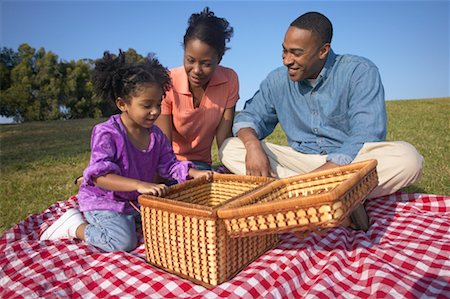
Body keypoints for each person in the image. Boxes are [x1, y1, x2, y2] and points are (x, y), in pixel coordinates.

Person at [219, 12, 423, 199]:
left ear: (323, 51)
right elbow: (248, 118)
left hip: (348, 164)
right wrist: (253, 146)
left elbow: (366, 135)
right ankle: (335, 197)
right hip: (299, 164)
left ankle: (297, 194)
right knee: (230, 148)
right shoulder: (276, 80)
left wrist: (321, 175)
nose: (287, 60)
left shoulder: (360, 71)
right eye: (284, 51)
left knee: (408, 159)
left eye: (296, 53)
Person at [40, 51, 212, 252]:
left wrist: (194, 172)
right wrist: (139, 185)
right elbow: (100, 176)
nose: (155, 112)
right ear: (122, 104)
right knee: (123, 242)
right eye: (147, 105)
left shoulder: (156, 135)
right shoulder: (107, 133)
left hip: (134, 201)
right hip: (104, 201)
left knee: (171, 223)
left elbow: (169, 165)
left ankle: (131, 219)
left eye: (158, 104)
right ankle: (75, 226)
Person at [155, 7, 239, 171]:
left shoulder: (229, 80)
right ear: (184, 52)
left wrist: (228, 169)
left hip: (202, 165)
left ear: (219, 58)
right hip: (171, 164)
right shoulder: (167, 82)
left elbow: (224, 137)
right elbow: (163, 145)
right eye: (190, 60)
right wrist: (180, 173)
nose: (197, 70)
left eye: (206, 64)